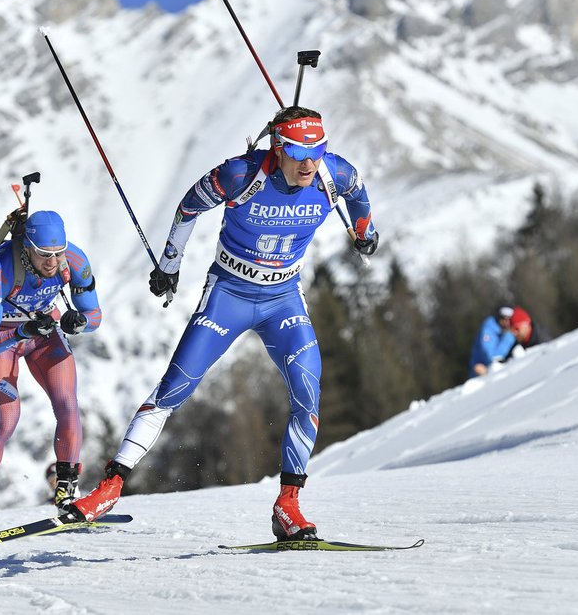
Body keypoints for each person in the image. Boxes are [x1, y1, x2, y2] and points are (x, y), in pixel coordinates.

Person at [65, 106, 378, 541]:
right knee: (173, 389)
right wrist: (169, 266)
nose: (309, 163)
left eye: (318, 151)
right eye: (298, 152)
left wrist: (365, 232)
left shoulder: (333, 174)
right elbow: (188, 207)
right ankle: (109, 489)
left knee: (308, 393)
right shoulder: (240, 175)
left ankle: (288, 506)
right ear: (277, 148)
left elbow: (359, 195)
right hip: (228, 295)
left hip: (283, 299)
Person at [0, 210, 102, 539]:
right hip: (5, 339)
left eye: (57, 254)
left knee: (67, 403)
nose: (52, 263)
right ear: (27, 248)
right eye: (44, 255)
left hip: (44, 333)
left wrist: (78, 322)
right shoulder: (0, 267)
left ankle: (66, 492)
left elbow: (94, 315)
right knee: (6, 418)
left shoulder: (74, 262)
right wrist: (22, 329)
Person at [468, 306, 517, 378]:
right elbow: (493, 358)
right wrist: (509, 337)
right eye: (504, 319)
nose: (507, 322)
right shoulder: (488, 331)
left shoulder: (506, 332)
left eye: (510, 319)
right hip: (482, 376)